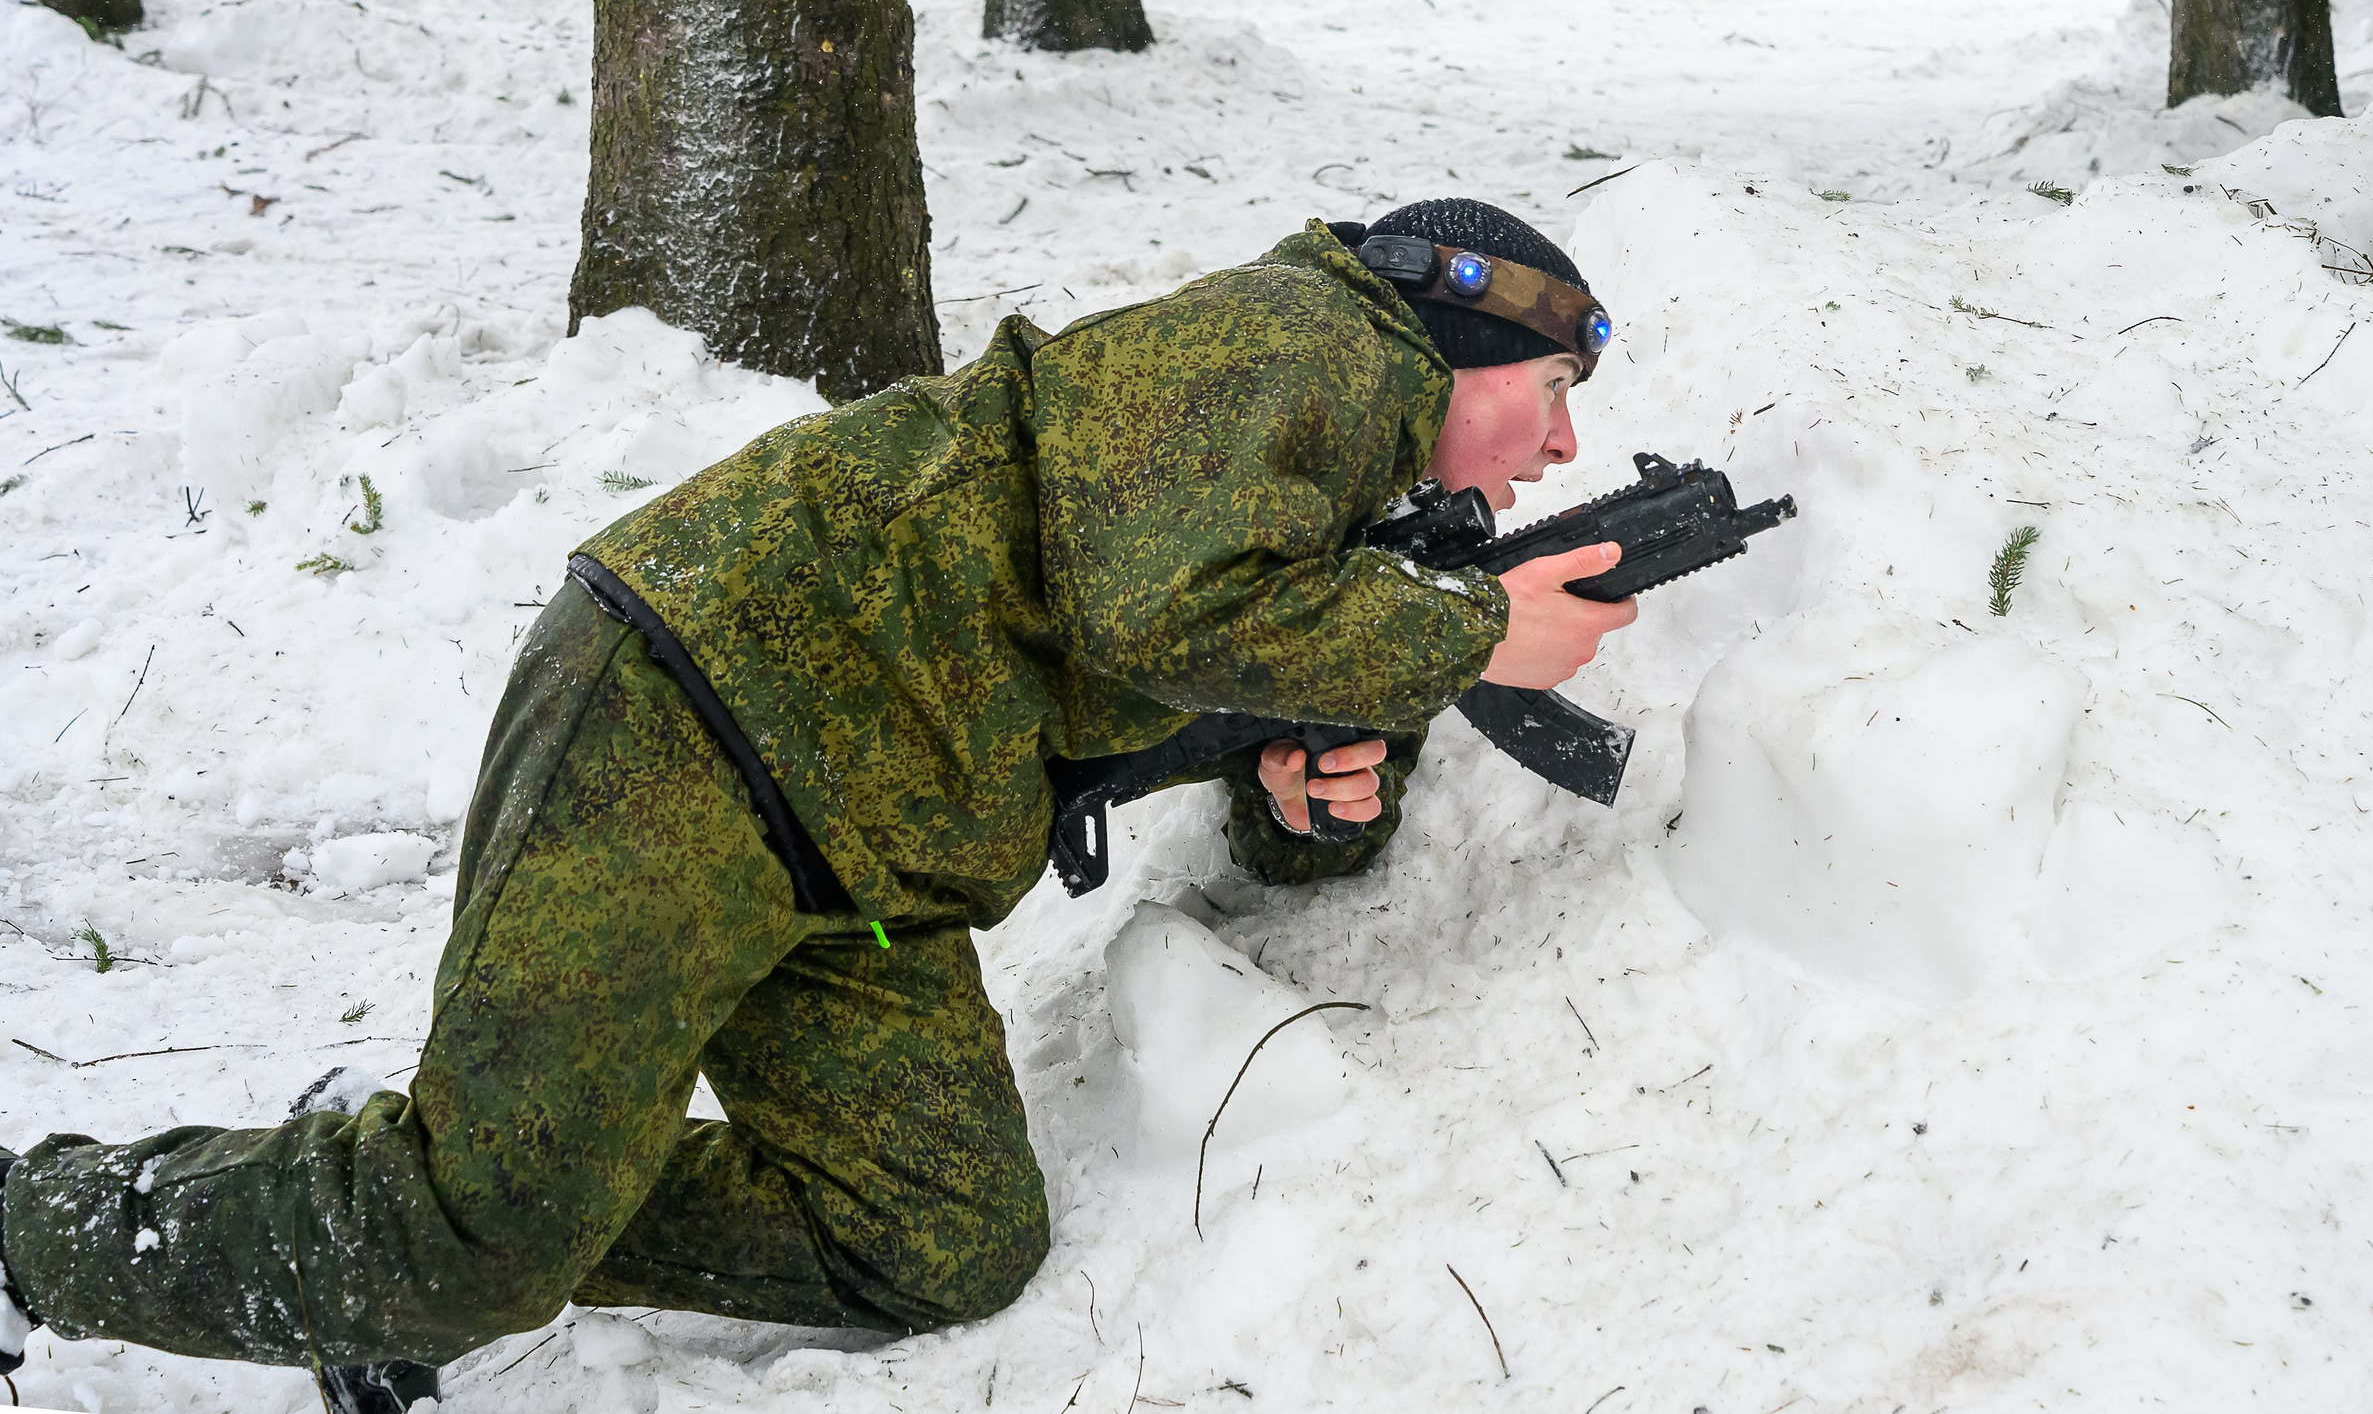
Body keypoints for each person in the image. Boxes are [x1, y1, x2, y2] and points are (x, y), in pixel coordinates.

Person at [0, 199, 1634, 1412]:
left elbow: (1239, 749)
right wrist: (1473, 631)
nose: (1562, 442)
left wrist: (1302, 777)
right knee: (478, 1235)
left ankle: (427, 1182)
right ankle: (37, 1234)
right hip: (700, 719)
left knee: (940, 1240)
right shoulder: (1312, 336)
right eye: (1552, 385)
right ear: (1454, 324)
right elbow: (1147, 599)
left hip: (865, 865)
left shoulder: (1356, 529)